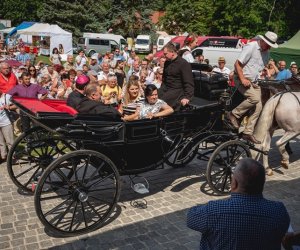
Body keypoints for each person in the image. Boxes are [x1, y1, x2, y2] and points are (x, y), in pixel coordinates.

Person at [187, 158, 290, 250]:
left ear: (234, 183)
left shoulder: (213, 210)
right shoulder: (279, 211)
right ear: (262, 184)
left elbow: (190, 218)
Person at [227, 31, 278, 144]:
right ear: (263, 41)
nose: (269, 47)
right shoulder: (251, 46)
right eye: (268, 44)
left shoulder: (266, 53)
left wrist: (263, 73)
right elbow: (237, 64)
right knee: (254, 99)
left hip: (253, 82)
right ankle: (233, 114)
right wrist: (243, 78)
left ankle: (248, 132)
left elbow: (258, 69)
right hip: (241, 79)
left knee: (259, 107)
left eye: (271, 45)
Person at [159, 42, 194, 111]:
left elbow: (188, 82)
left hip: (177, 90)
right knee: (151, 97)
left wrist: (187, 97)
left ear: (172, 52)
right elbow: (164, 79)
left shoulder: (183, 64)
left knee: (161, 102)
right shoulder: (167, 62)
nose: (164, 55)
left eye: (165, 54)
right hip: (166, 88)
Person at [0, 91, 15, 162]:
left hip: (6, 122)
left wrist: (9, 107)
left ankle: (13, 157)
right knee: (0, 142)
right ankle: (3, 157)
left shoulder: (6, 96)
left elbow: (17, 105)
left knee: (10, 141)